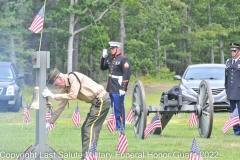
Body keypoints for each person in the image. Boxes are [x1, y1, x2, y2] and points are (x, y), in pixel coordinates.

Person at [42, 68, 110, 159]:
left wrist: (54, 96)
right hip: (96, 103)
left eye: (56, 84)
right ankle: (87, 156)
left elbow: (73, 95)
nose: (57, 87)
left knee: (89, 129)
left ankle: (88, 157)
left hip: (102, 100)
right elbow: (61, 105)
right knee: (85, 128)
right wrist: (50, 122)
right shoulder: (66, 87)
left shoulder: (72, 77)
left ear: (59, 77)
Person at [100, 41, 131, 130]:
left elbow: (126, 74)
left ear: (118, 48)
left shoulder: (123, 59)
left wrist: (123, 88)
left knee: (119, 107)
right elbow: (102, 68)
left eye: (113, 48)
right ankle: (115, 123)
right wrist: (103, 57)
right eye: (111, 49)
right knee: (113, 106)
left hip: (118, 86)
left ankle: (120, 125)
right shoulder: (110, 59)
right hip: (110, 86)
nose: (111, 50)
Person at [225, 42, 240, 135]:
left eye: (234, 51)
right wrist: (226, 90)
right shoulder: (228, 62)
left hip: (239, 90)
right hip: (231, 90)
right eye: (231, 51)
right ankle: (236, 130)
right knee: (233, 111)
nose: (232, 53)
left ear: (239, 51)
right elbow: (226, 77)